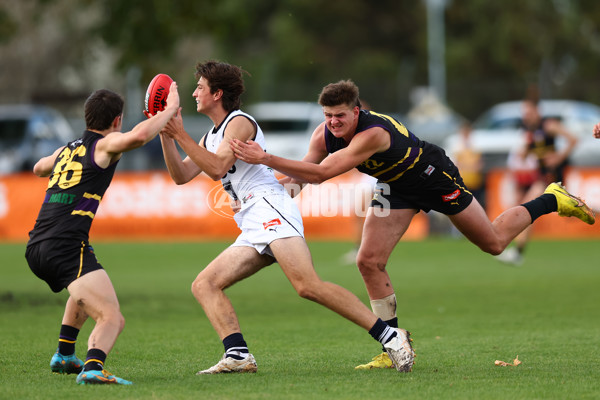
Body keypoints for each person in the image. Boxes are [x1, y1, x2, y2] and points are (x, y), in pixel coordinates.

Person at [230, 79, 595, 370]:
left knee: (495, 242)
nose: (333, 123)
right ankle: (393, 345)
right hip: (396, 186)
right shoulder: (323, 134)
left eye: (340, 115)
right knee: (368, 260)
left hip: (433, 177)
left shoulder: (372, 133)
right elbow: (303, 177)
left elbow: (323, 173)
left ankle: (552, 198)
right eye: (327, 116)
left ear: (357, 111)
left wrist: (266, 157)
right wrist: (264, 198)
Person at [158, 61, 414, 374]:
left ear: (217, 93)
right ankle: (237, 355)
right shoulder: (211, 136)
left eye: (200, 87)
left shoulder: (239, 122)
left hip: (271, 208)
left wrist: (179, 131)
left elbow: (216, 168)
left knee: (307, 286)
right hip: (253, 220)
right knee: (205, 285)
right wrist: (166, 135)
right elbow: (182, 175)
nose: (195, 92)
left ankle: (391, 336)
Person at [25, 83, 180, 385]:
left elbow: (37, 167)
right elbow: (139, 136)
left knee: (84, 283)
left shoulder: (66, 150)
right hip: (65, 246)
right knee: (112, 317)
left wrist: (55, 167)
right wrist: (170, 109)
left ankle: (65, 354)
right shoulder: (104, 145)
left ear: (86, 117)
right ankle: (94, 367)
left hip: (36, 246)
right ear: (117, 121)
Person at [496, 98, 578, 266]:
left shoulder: (548, 125)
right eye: (524, 113)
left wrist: (559, 157)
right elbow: (527, 152)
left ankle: (517, 252)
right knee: (574, 209)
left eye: (528, 112)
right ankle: (517, 251)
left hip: (553, 178)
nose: (526, 116)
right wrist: (523, 153)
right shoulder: (529, 132)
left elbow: (573, 139)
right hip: (542, 178)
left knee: (527, 208)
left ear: (537, 111)